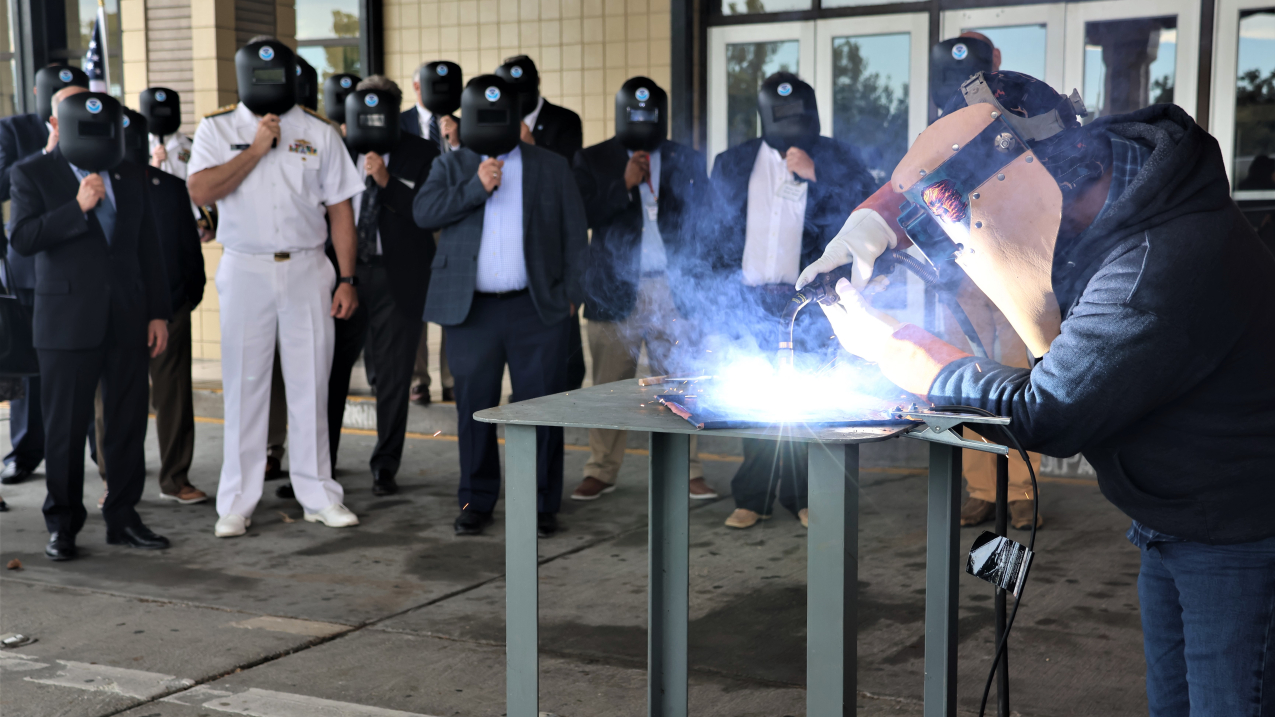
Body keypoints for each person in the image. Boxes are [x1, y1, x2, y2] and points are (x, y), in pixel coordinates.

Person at [816, 69, 1275, 713]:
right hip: (1172, 513)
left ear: (1030, 184)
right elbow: (962, 157)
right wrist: (869, 227)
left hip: (1239, 532)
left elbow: (1046, 412)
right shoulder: (1102, 170)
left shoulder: (1154, 262)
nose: (965, 247)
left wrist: (898, 349)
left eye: (968, 226)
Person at [187, 36, 363, 538]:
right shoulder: (218, 128)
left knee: (312, 384)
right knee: (245, 387)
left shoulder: (320, 132)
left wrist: (347, 278)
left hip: (309, 268)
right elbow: (200, 189)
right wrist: (257, 149)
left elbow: (340, 211)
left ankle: (318, 494)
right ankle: (236, 504)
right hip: (246, 268)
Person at [414, 75, 587, 538]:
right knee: (474, 409)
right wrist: (476, 186)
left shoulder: (549, 166)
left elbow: (575, 234)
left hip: (538, 310)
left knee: (540, 411)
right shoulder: (452, 165)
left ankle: (542, 503)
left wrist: (573, 296)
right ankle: (476, 500)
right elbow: (423, 213)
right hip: (471, 313)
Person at [9, 87, 173, 560]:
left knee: (125, 427)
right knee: (64, 429)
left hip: (128, 319)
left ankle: (123, 517)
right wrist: (76, 208)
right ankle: (62, 524)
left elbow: (148, 248)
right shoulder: (32, 173)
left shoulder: (129, 172)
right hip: (66, 324)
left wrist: (158, 312)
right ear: (56, 124)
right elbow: (22, 239)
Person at [709, 72, 874, 529]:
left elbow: (863, 217)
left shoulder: (837, 157)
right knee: (753, 399)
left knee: (809, 400)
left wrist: (815, 176)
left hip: (809, 302)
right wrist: (715, 303)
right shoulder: (732, 162)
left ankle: (803, 496)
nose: (788, 120)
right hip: (749, 300)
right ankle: (753, 497)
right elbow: (715, 233)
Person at [570, 77, 714, 502]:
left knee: (680, 384)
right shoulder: (593, 158)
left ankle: (688, 470)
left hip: (673, 289)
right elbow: (582, 215)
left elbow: (703, 216)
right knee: (608, 385)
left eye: (650, 113)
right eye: (634, 112)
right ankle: (601, 469)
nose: (642, 120)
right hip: (615, 291)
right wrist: (624, 185)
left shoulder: (684, 158)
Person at [326, 75, 440, 496]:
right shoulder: (337, 150)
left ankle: (385, 465)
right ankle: (321, 465)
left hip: (398, 277)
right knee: (331, 372)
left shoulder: (423, 152)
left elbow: (428, 213)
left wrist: (388, 181)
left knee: (393, 376)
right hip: (344, 275)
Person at [0, 65, 89, 487]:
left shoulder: (96, 124)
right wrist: (46, 154)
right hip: (30, 271)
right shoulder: (15, 131)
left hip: (82, 269)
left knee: (88, 365)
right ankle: (25, 450)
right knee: (33, 370)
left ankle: (98, 450)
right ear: (41, 95)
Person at [129, 107, 209, 504]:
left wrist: (186, 300)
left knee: (174, 396)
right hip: (116, 311)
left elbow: (188, 251)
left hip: (171, 305)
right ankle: (116, 481)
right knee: (114, 401)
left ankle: (176, 479)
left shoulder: (170, 187)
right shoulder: (94, 188)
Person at [495, 55, 588, 391]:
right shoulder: (492, 122)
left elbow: (567, 178)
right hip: (508, 259)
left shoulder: (564, 120)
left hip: (551, 258)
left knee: (565, 364)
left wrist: (530, 146)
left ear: (536, 85)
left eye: (523, 90)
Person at [403, 60, 462, 405]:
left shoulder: (464, 124)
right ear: (415, 88)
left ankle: (452, 379)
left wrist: (456, 142)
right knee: (416, 304)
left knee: (452, 304)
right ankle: (417, 380)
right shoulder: (400, 124)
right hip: (412, 225)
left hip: (452, 226)